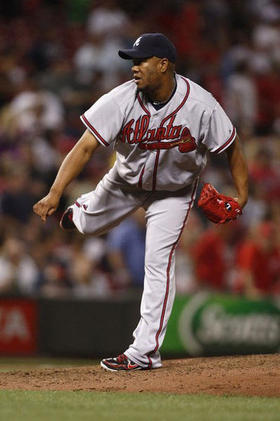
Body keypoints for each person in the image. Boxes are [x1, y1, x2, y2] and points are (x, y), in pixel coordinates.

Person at [33, 33, 248, 371]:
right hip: (126, 183)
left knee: (158, 264)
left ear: (163, 65)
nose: (134, 67)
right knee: (88, 225)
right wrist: (56, 192)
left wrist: (242, 195)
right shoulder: (120, 99)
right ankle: (81, 210)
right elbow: (85, 147)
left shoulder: (201, 105)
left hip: (174, 193)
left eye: (141, 60)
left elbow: (232, 147)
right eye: (132, 60)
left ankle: (144, 352)